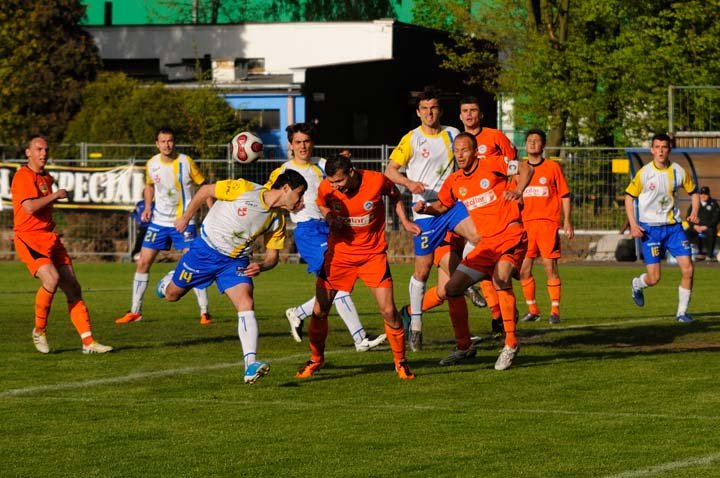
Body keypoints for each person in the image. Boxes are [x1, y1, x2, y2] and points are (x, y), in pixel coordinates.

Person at [156, 169, 308, 384]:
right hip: (204, 252)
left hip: (234, 262)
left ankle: (250, 365)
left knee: (246, 301)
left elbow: (273, 257)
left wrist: (262, 266)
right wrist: (186, 217)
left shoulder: (278, 221)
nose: (301, 200)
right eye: (300, 194)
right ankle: (167, 282)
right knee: (172, 294)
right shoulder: (245, 189)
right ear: (285, 189)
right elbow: (206, 190)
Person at [295, 155, 421, 380]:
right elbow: (322, 203)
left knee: (389, 311)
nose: (335, 187)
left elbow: (395, 195)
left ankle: (400, 362)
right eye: (332, 182)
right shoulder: (327, 187)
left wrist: (405, 220)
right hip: (339, 256)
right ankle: (315, 359)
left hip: (373, 256)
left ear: (351, 173)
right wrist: (330, 218)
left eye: (340, 182)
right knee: (319, 310)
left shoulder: (376, 181)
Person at [415, 133, 532, 370]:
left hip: (510, 233)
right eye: (456, 150)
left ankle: (510, 343)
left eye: (465, 150)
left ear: (475, 151)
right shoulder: (455, 181)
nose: (460, 154)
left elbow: (526, 168)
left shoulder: (492, 164)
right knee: (452, 288)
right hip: (486, 244)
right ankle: (464, 346)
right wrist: (426, 208)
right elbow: (443, 205)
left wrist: (518, 190)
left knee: (500, 278)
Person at [269, 123, 386, 352]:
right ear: (290, 145)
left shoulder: (321, 165)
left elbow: (342, 178)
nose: (303, 146)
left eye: (306, 141)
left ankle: (298, 312)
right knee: (338, 283)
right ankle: (360, 339)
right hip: (307, 231)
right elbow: (271, 200)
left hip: (328, 229)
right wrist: (288, 208)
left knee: (339, 283)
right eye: (298, 142)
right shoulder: (282, 172)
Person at [385, 87, 479, 351]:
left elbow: (470, 154)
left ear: (440, 110)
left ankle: (465, 276)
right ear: (418, 112)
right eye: (425, 108)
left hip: (450, 205)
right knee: (423, 270)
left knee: (480, 237)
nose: (429, 112)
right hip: (424, 212)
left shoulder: (451, 134)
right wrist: (409, 182)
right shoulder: (411, 139)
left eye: (434, 108)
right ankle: (415, 326)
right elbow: (390, 171)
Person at [12, 136, 112, 354]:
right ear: (28, 152)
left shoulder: (46, 177)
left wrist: (54, 195)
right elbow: (29, 208)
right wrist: (56, 195)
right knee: (52, 278)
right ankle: (39, 330)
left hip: (49, 237)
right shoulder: (22, 176)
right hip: (29, 238)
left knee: (73, 288)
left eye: (46, 150)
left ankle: (88, 342)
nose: (43, 153)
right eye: (38, 149)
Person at [115, 126, 213, 325]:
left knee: (192, 262)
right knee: (143, 262)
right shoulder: (151, 164)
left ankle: (204, 312)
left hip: (183, 220)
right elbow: (149, 186)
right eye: (163, 141)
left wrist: (212, 211)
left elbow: (205, 187)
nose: (167, 145)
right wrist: (148, 207)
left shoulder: (186, 162)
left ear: (174, 142)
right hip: (159, 221)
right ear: (157, 144)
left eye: (170, 141)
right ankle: (135, 311)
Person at [459, 95, 519, 337]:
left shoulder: (495, 137)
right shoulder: (456, 140)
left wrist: (516, 192)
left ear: (481, 114)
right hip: (468, 212)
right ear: (460, 115)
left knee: (500, 270)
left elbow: (514, 165)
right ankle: (498, 315)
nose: (470, 115)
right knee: (480, 265)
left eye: (473, 110)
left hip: (498, 214)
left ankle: (503, 319)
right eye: (465, 111)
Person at [625, 132, 699, 323]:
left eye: (664, 147)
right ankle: (637, 284)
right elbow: (629, 197)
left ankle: (682, 313)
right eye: (657, 147)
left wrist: (695, 212)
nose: (660, 151)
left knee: (688, 269)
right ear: (652, 150)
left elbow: (694, 193)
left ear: (669, 150)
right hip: (651, 230)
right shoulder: (644, 173)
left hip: (674, 228)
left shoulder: (678, 171)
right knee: (654, 278)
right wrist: (633, 224)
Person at [517, 129, 574, 324]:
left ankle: (555, 311)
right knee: (523, 269)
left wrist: (567, 220)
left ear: (543, 145)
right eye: (530, 140)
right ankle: (533, 310)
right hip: (525, 226)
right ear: (525, 145)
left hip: (547, 224)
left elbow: (564, 195)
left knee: (550, 266)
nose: (533, 143)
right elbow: (511, 196)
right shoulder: (519, 169)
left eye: (537, 140)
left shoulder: (552, 168)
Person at [685, 186, 719, 261]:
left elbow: (716, 218)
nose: (703, 195)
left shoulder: (714, 204)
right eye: (701, 194)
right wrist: (694, 226)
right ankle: (687, 254)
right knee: (686, 233)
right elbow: (688, 216)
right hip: (696, 227)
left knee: (711, 232)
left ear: (709, 194)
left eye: (705, 194)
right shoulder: (695, 204)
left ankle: (709, 255)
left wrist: (706, 226)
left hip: (708, 228)